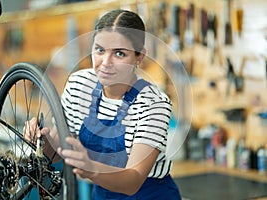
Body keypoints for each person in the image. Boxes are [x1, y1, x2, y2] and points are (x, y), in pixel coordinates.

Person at [24, 9, 181, 199]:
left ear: (139, 57)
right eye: (99, 50)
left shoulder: (154, 104)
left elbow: (133, 180)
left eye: (120, 54)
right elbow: (58, 152)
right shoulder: (79, 85)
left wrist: (91, 170)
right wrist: (41, 141)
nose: (106, 63)